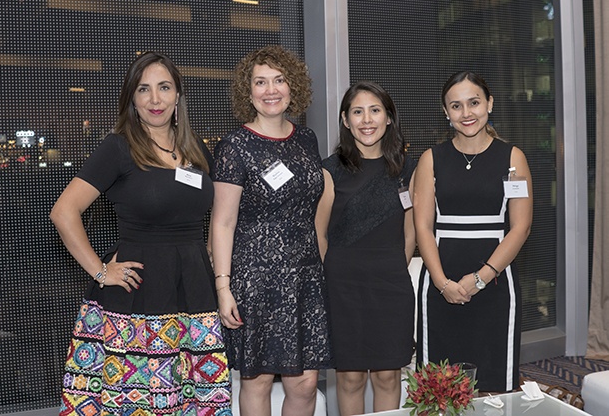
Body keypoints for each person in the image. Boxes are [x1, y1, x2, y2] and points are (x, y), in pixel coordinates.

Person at [50, 51, 231, 415]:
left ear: (178, 95)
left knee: (192, 396)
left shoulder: (195, 148)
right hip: (139, 291)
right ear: (132, 99)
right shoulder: (118, 147)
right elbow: (63, 212)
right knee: (136, 399)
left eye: (164, 87)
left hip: (193, 286)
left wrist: (211, 251)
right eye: (144, 89)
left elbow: (219, 211)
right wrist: (101, 271)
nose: (155, 99)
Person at [211, 45, 332, 416]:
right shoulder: (235, 147)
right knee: (258, 381)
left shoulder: (306, 139)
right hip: (256, 279)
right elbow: (222, 222)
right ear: (248, 92)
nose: (270, 90)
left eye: (279, 80)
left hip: (304, 278)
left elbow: (312, 208)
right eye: (260, 82)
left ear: (292, 86)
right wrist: (223, 287)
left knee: (306, 385)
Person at [413, 71, 533, 393]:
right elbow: (422, 226)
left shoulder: (512, 158)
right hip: (441, 285)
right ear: (446, 111)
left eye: (474, 103)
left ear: (489, 104)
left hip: (495, 283)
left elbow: (520, 228)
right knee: (438, 390)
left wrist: (480, 278)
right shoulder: (430, 159)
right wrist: (442, 283)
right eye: (456, 106)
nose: (466, 113)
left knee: (494, 386)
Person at [315, 81, 416, 415]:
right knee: (350, 379)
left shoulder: (406, 169)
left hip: (391, 284)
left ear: (389, 117)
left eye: (375, 110)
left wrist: (394, 267)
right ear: (346, 120)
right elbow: (320, 234)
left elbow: (411, 230)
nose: (367, 119)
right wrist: (335, 275)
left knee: (388, 376)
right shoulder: (330, 169)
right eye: (357, 112)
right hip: (344, 287)